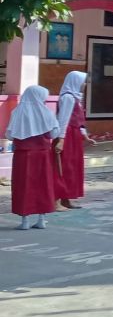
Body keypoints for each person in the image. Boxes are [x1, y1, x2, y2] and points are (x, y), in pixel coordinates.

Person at [7, 85, 60, 230]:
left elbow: (9, 135)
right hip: (42, 155)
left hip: (23, 156)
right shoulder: (47, 113)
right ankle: (41, 219)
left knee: (23, 185)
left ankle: (25, 220)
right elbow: (54, 134)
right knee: (43, 184)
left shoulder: (17, 112)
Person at [53, 71, 89, 210]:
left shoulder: (76, 98)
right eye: (82, 81)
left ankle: (66, 198)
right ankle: (58, 199)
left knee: (72, 167)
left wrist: (84, 135)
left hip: (73, 136)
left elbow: (78, 120)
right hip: (67, 135)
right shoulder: (68, 98)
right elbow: (63, 120)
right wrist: (61, 139)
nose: (84, 84)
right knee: (64, 166)